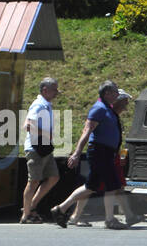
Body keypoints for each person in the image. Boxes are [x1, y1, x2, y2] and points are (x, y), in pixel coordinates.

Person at [54, 82, 142, 230]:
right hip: (100, 151)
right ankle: (109, 219)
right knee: (111, 185)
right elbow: (86, 132)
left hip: (106, 152)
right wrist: (76, 153)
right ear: (107, 93)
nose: (117, 95)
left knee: (92, 186)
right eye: (115, 92)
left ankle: (61, 209)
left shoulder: (107, 109)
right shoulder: (99, 109)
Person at [21, 78, 61, 223]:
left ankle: (31, 206)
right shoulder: (38, 105)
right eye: (54, 90)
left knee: (53, 177)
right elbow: (27, 126)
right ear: (45, 90)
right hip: (35, 148)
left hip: (44, 148)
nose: (57, 93)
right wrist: (46, 134)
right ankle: (26, 215)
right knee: (34, 181)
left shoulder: (46, 105)